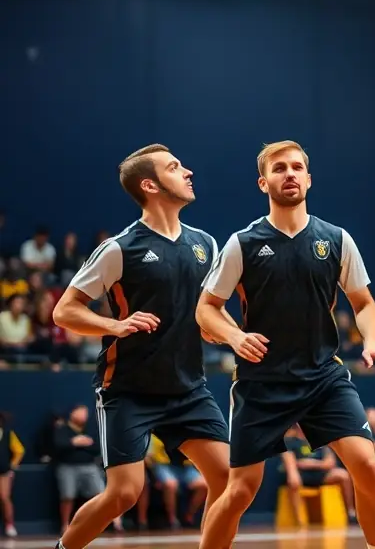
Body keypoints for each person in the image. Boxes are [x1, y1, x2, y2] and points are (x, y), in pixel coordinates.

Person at [195, 140, 375, 549]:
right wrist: (235, 336)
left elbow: (364, 303)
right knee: (240, 491)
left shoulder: (337, 239)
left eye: (296, 167)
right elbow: (206, 309)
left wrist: (372, 341)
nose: (289, 173)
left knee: (365, 465)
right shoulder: (243, 243)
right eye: (279, 168)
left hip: (323, 376)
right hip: (262, 382)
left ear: (308, 178)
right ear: (263, 182)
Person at [51, 144, 230, 549]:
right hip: (128, 390)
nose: (187, 171)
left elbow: (209, 314)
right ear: (149, 185)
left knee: (229, 479)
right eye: (174, 167)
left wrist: (234, 335)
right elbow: (64, 312)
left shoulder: (206, 244)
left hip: (188, 388)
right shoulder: (120, 248)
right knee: (124, 494)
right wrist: (115, 324)